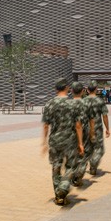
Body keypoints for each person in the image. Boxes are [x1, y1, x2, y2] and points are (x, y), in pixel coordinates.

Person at [42, 78, 84, 206]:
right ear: (67, 88)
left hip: (55, 140)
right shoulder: (73, 104)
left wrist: (44, 142)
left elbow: (46, 125)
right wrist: (80, 143)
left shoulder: (49, 104)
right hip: (70, 140)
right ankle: (64, 187)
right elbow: (78, 125)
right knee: (71, 166)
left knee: (56, 166)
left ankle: (58, 196)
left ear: (56, 89)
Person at [83, 81, 110, 176]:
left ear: (87, 90)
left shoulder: (83, 101)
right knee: (99, 149)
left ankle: (83, 168)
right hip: (97, 128)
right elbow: (105, 115)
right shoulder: (100, 101)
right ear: (96, 89)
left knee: (87, 148)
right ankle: (93, 164)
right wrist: (107, 129)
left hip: (85, 128)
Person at [69, 82, 90, 187]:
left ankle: (72, 175)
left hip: (70, 134)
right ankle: (78, 178)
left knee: (72, 155)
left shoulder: (67, 104)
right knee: (83, 155)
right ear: (82, 91)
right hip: (84, 133)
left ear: (71, 91)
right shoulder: (86, 104)